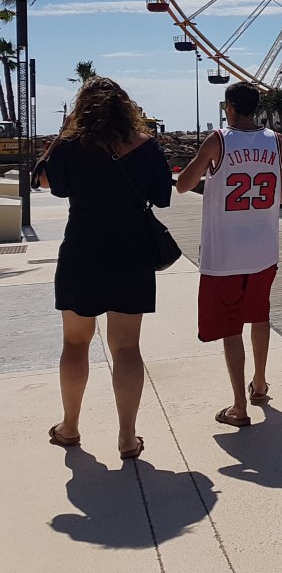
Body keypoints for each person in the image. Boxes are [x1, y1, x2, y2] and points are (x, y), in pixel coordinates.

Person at [36, 77, 172, 459]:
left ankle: (70, 426)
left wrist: (66, 132)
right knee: (127, 348)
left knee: (75, 343)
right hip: (132, 252)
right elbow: (162, 197)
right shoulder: (146, 146)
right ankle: (127, 437)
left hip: (83, 250)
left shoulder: (70, 145)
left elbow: (50, 183)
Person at [177, 81, 282, 428]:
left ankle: (239, 406)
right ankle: (259, 383)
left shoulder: (219, 140)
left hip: (225, 253)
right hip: (264, 249)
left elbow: (183, 184)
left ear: (228, 106)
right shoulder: (277, 141)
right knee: (259, 315)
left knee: (231, 326)